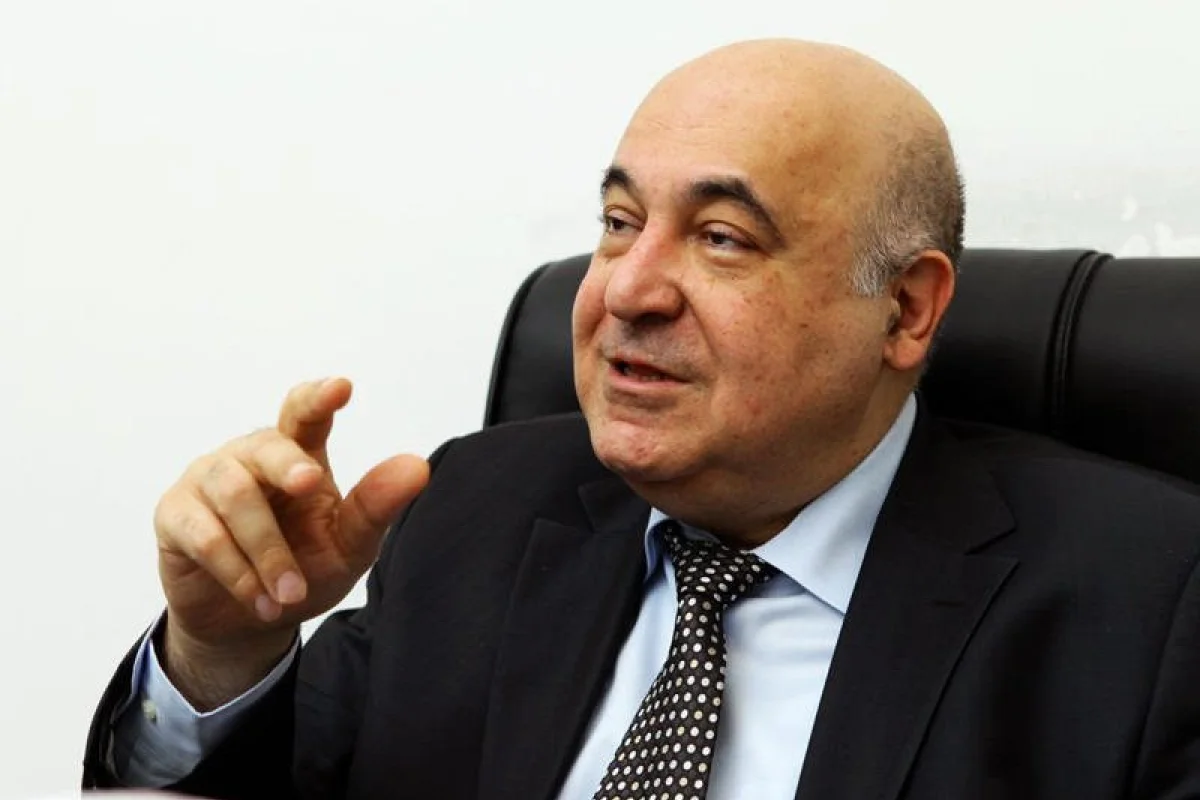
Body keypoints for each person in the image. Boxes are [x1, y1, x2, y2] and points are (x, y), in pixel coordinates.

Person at [83, 39, 1200, 800]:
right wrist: (221, 651)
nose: (626, 288)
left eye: (721, 238)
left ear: (905, 310)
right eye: (620, 222)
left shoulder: (1150, 604)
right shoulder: (478, 509)